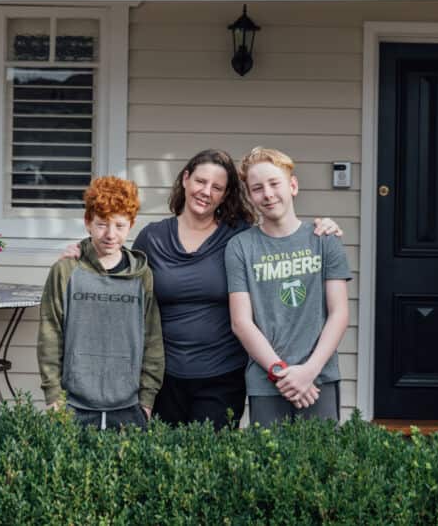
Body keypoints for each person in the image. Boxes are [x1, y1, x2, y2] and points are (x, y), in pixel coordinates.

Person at [129, 149, 342, 430]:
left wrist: (325, 225)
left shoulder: (237, 237)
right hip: (163, 376)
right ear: (185, 179)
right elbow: (123, 282)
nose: (206, 192)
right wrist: (81, 254)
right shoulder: (152, 237)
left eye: (217, 187)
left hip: (221, 375)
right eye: (200, 181)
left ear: (225, 194)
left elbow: (280, 234)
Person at [225, 147, 351, 426]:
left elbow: (339, 313)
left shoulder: (324, 240)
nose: (267, 194)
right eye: (257, 188)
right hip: (266, 380)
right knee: (269, 465)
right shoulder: (241, 247)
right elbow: (241, 322)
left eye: (274, 184)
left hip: (319, 378)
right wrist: (280, 372)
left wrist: (309, 371)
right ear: (250, 195)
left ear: (292, 185)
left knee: (321, 463)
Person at [37, 176, 164, 430]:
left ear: (131, 225)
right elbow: (50, 332)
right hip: (73, 404)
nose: (110, 234)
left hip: (129, 404)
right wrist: (53, 395)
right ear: (87, 223)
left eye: (119, 225)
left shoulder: (141, 275)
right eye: (101, 224)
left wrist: (147, 398)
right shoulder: (65, 270)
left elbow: (152, 337)